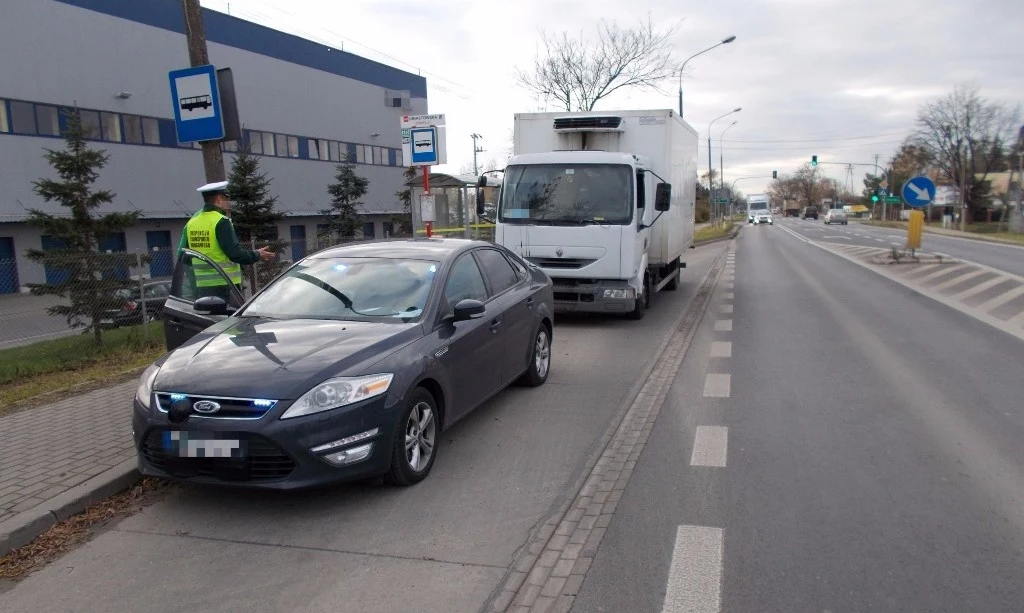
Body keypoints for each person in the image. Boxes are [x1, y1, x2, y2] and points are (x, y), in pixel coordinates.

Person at [177, 181, 275, 300]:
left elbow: (184, 256)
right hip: (225, 286)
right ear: (219, 199)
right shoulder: (221, 221)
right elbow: (235, 254)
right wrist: (257, 254)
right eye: (226, 199)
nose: (228, 203)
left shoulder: (192, 223)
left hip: (202, 288)